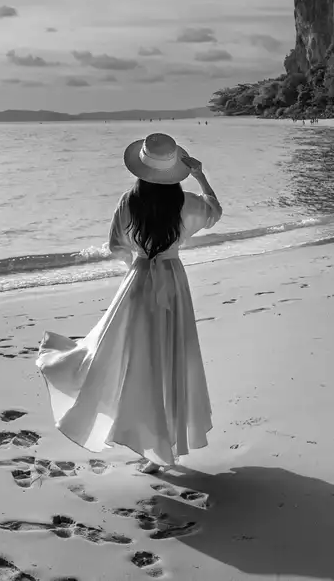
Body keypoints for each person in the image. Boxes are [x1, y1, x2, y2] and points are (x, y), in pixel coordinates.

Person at [36, 132, 223, 475]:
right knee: (169, 360)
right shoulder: (186, 203)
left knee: (133, 359)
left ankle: (149, 445)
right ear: (175, 170)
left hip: (138, 283)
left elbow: (115, 246)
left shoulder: (129, 202)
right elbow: (215, 211)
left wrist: (137, 262)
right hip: (173, 282)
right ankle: (162, 445)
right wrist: (200, 175)